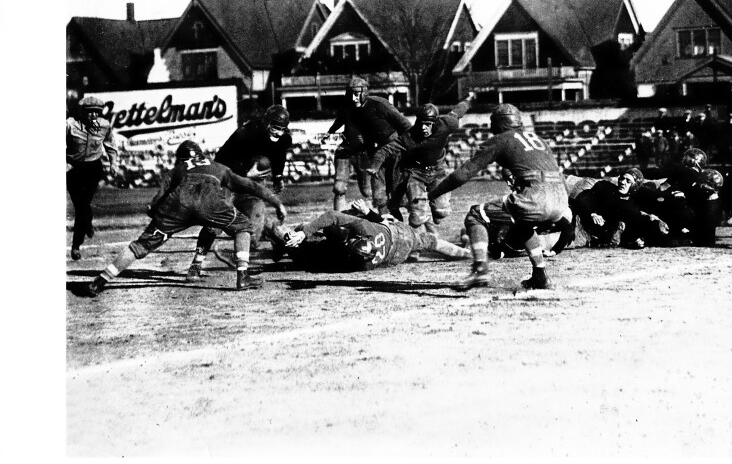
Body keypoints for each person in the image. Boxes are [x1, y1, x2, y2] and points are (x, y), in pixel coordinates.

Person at [86, 140, 287, 296]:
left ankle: (100, 280)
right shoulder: (218, 167)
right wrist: (277, 202)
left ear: (181, 159)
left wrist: (155, 213)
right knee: (243, 226)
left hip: (177, 206)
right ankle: (242, 276)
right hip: (211, 204)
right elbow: (251, 186)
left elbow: (157, 200)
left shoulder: (176, 170)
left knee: (141, 246)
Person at [427, 103, 571, 291]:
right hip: (561, 198)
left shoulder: (501, 139)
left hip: (537, 197)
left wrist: (434, 193)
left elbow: (463, 174)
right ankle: (540, 275)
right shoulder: (539, 139)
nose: (490, 127)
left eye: (492, 123)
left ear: (500, 124)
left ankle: (480, 270)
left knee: (475, 215)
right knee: (521, 223)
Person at [191, 105, 294, 268]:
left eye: (283, 129)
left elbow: (279, 156)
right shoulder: (246, 133)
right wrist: (245, 173)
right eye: (275, 128)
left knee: (253, 234)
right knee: (213, 222)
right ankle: (196, 265)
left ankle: (278, 242)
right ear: (266, 122)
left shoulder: (284, 139)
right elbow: (220, 161)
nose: (279, 133)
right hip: (230, 181)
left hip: (253, 186)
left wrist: (278, 177)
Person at [367, 93, 474, 234]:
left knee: (442, 211)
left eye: (428, 124)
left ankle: (436, 210)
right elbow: (385, 150)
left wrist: (470, 99)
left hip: (438, 171)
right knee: (416, 218)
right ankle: (420, 241)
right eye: (422, 124)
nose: (424, 128)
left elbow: (459, 110)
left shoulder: (447, 124)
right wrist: (374, 166)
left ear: (435, 122)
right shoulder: (409, 137)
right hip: (416, 174)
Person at [285, 199, 470, 270]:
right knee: (431, 242)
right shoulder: (366, 239)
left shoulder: (361, 245)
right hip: (400, 240)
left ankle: (467, 252)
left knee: (329, 241)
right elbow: (381, 223)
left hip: (396, 252)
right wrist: (369, 213)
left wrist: (304, 232)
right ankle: (468, 253)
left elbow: (332, 217)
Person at [325, 76, 411, 214]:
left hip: (390, 151)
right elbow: (341, 122)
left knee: (397, 195)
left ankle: (420, 225)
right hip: (372, 153)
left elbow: (405, 125)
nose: (353, 99)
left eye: (356, 94)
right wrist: (331, 133)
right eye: (350, 94)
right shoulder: (350, 109)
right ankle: (386, 225)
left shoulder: (379, 104)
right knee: (378, 196)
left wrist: (407, 147)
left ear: (364, 92)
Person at [66, 95, 119, 261]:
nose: (93, 116)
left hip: (92, 169)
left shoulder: (104, 126)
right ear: (82, 112)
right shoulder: (69, 125)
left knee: (83, 206)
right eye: (89, 113)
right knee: (81, 206)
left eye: (97, 113)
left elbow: (111, 146)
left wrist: (113, 164)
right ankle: (87, 223)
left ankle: (76, 245)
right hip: (73, 169)